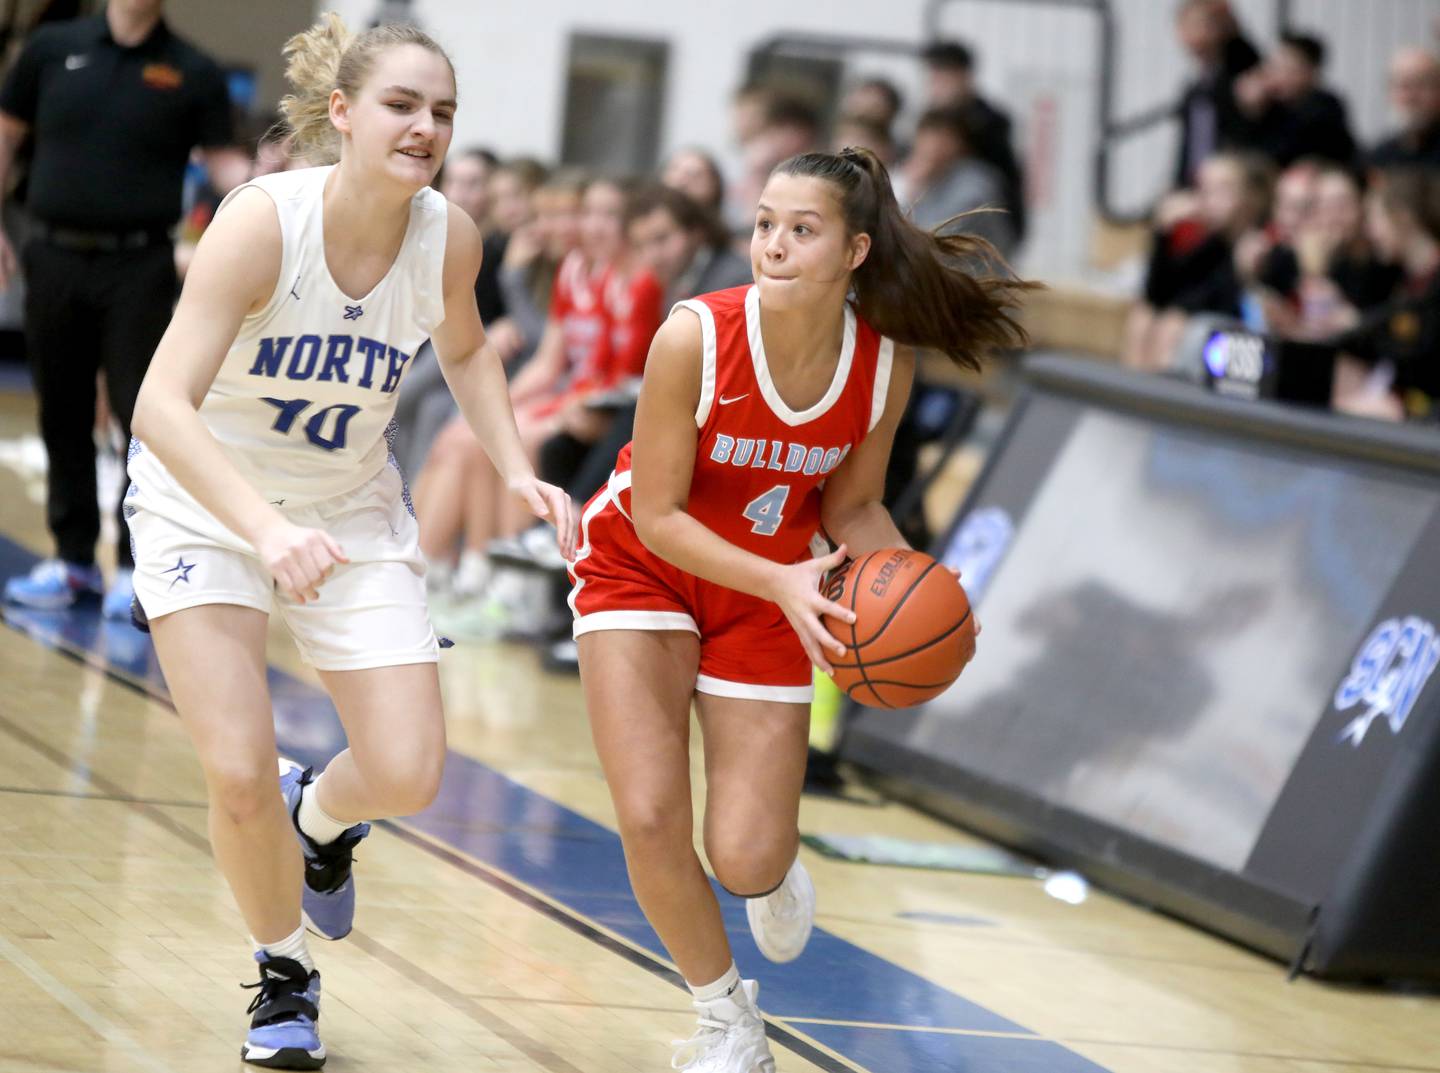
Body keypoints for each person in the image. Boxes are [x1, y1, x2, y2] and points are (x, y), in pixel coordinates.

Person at [124, 15, 573, 1068]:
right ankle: (282, 973)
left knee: (411, 770)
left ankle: (317, 815)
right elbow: (158, 403)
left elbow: (466, 350)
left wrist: (513, 466)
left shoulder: (448, 236)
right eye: (403, 105)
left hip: (348, 507)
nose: (426, 127)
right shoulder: (262, 222)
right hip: (209, 503)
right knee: (234, 767)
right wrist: (265, 526)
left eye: (444, 113)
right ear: (342, 113)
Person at [569, 146, 1030, 1070]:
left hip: (769, 590)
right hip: (642, 568)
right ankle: (725, 1019)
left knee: (742, 855)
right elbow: (657, 513)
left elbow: (852, 506)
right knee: (652, 817)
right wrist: (782, 578)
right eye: (765, 225)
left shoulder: (883, 362)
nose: (773, 245)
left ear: (855, 251)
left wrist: (917, 589)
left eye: (802, 229)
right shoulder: (692, 336)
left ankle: (772, 871)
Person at [0, 0, 232, 619]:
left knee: (147, 417)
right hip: (51, 254)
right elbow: (7, 136)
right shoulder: (51, 50)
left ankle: (139, 568)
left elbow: (230, 170)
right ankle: (73, 561)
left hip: (142, 265)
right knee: (63, 411)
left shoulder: (194, 71)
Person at [1334, 168, 1440, 422]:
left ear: (1402, 217)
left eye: (1374, 219)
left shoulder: (1431, 288)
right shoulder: (1406, 281)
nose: (1370, 232)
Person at [919, 39, 1026, 242]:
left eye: (943, 75)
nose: (936, 84)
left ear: (963, 76)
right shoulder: (930, 117)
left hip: (987, 222)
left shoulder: (989, 121)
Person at [899, 107, 1015, 257]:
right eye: (929, 136)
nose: (934, 146)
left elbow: (940, 235)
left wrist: (914, 189)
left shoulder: (978, 180)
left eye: (944, 138)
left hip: (979, 274)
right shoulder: (906, 173)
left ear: (960, 144)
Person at [1233, 32, 1356, 168]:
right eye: (1272, 66)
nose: (1273, 75)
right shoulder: (1270, 106)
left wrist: (1255, 112)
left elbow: (1273, 157)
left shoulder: (1324, 107)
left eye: (1285, 68)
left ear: (1310, 72)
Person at [1172, 0, 1261, 186]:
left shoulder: (1241, 72)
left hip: (1233, 180)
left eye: (1199, 24)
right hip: (1197, 183)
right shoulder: (1196, 85)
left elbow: (1245, 56)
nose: (1189, 33)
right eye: (1184, 25)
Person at [1367, 48, 1440, 173]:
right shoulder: (1379, 157)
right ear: (1389, 92)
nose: (1411, 97)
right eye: (1403, 86)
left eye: (1421, 85)